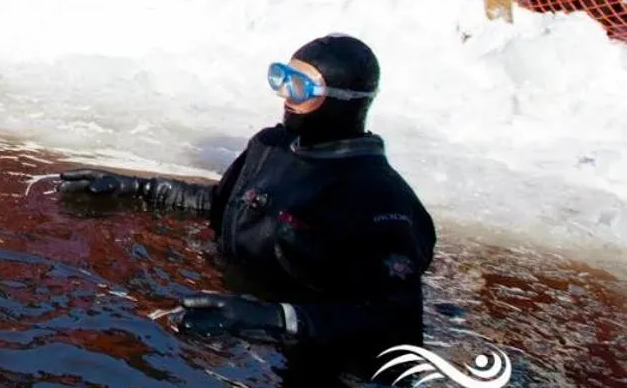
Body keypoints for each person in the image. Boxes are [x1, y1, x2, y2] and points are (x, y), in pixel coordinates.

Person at [58, 34, 435, 368]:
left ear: (344, 102)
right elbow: (225, 204)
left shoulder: (377, 196)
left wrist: (274, 319)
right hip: (243, 312)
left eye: (300, 88)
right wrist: (133, 189)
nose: (284, 97)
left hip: (314, 355)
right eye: (281, 79)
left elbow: (395, 322)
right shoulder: (271, 146)